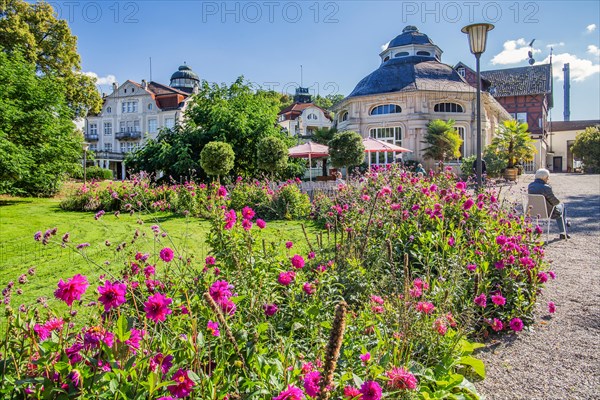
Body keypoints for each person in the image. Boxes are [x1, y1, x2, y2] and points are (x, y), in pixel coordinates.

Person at [527, 168, 570, 239]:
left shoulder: (530, 185)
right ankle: (563, 232)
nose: (548, 179)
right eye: (547, 177)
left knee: (560, 208)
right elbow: (555, 202)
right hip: (547, 212)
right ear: (544, 178)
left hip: (533, 211)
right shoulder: (546, 187)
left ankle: (565, 225)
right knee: (562, 207)